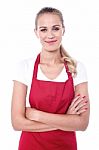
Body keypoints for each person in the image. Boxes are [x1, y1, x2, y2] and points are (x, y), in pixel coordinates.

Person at [11, 7, 90, 150]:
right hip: (30, 146)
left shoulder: (76, 68)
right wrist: (66, 119)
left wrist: (37, 115)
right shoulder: (24, 67)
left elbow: (82, 124)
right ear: (36, 33)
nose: (50, 35)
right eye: (43, 29)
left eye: (55, 28)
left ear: (63, 30)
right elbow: (17, 123)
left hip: (66, 146)